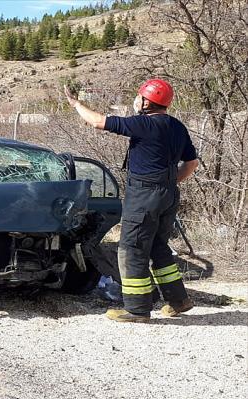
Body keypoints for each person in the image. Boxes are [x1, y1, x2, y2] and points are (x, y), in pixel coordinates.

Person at [64, 79, 199, 322]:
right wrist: (169, 183)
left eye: (139, 97)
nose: (136, 100)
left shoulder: (144, 123)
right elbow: (191, 163)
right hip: (168, 195)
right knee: (158, 247)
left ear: (147, 102)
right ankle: (179, 300)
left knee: (132, 249)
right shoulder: (178, 127)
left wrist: (75, 103)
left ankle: (137, 309)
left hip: (144, 196)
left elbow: (97, 121)